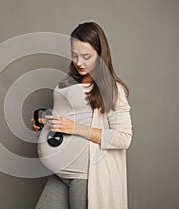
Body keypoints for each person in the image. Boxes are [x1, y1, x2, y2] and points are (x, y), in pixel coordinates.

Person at [31, 22, 133, 209]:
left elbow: (123, 138)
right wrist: (45, 126)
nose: (79, 63)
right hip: (61, 176)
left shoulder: (111, 89)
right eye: (74, 55)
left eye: (86, 56)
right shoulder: (69, 82)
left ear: (101, 54)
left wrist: (75, 128)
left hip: (85, 177)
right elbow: (71, 116)